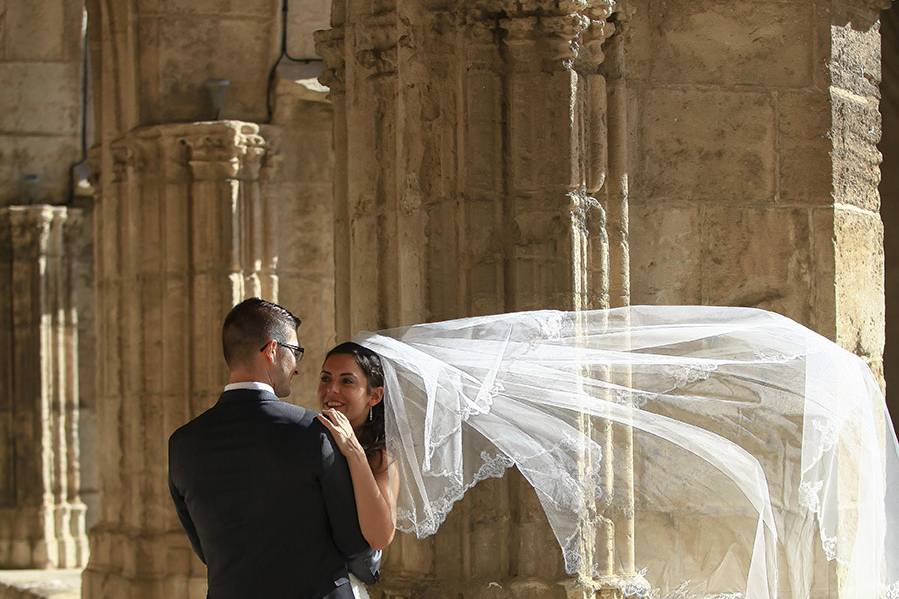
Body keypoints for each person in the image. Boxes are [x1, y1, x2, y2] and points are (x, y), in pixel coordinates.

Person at [168, 298, 371, 599]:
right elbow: (353, 542)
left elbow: (204, 548)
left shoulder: (182, 442)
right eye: (296, 353)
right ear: (272, 351)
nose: (298, 368)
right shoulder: (313, 431)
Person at [316, 342, 400, 599]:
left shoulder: (380, 456)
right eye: (325, 378)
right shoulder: (309, 439)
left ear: (374, 396)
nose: (331, 390)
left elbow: (380, 536)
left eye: (347, 381)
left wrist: (353, 451)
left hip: (343, 588)